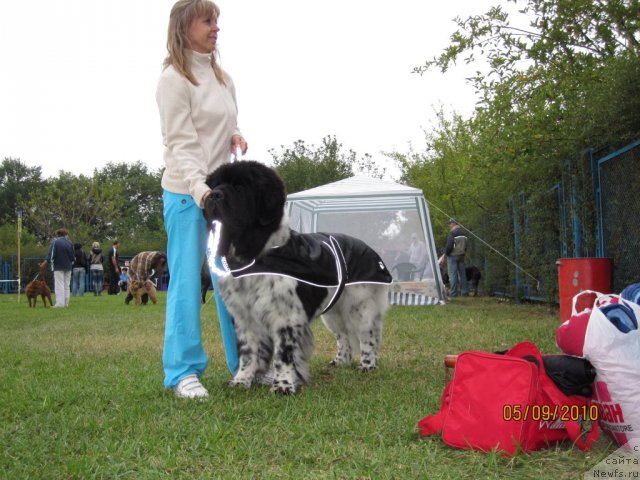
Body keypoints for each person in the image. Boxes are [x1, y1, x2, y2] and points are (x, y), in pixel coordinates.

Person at [157, 0, 247, 399]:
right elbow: (181, 143)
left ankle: (245, 364)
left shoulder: (222, 78)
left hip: (219, 196)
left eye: (217, 21)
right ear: (184, 26)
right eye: (208, 21)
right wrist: (201, 191)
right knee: (188, 283)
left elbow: (223, 118)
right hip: (186, 195)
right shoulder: (173, 80)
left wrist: (235, 134)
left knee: (230, 280)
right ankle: (183, 372)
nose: (216, 28)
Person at [40, 228, 75, 308]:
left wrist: (44, 264)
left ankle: (59, 304)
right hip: (68, 266)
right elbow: (72, 257)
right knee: (67, 285)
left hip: (58, 266)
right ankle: (66, 303)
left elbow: (51, 255)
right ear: (66, 234)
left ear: (57, 235)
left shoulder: (55, 242)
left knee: (59, 285)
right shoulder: (70, 243)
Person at [441, 218, 469, 297]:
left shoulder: (452, 233)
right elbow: (466, 245)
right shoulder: (464, 233)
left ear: (453, 224)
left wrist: (445, 255)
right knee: (462, 274)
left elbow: (449, 246)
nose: (449, 225)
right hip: (461, 256)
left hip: (453, 256)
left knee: (452, 275)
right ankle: (465, 292)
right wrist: (463, 252)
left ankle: (453, 293)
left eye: (449, 224)